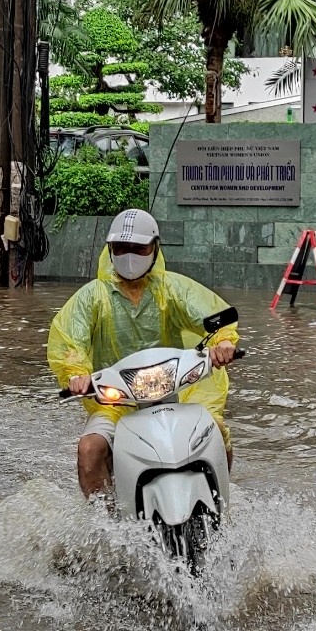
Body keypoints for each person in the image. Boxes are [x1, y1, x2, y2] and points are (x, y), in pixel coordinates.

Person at [45, 209, 241, 501]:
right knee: (89, 448)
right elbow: (69, 339)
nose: (129, 255)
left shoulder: (171, 289)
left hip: (172, 392)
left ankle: (220, 505)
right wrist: (75, 374)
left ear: (155, 249)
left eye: (139, 248)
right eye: (121, 248)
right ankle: (104, 519)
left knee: (216, 433)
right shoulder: (93, 296)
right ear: (110, 250)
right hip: (115, 402)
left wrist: (223, 342)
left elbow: (210, 314)